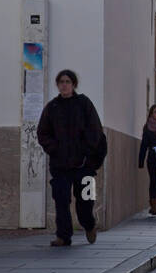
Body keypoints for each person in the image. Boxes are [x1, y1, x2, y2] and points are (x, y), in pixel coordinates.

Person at [37, 69, 106, 247]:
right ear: (57, 85)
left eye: (67, 81)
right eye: (61, 82)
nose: (64, 85)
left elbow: (95, 130)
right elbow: (43, 133)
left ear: (74, 84)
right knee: (61, 199)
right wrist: (55, 149)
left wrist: (87, 152)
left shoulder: (84, 103)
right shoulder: (52, 107)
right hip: (60, 165)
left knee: (85, 202)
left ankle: (89, 225)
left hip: (84, 165)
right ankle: (63, 235)